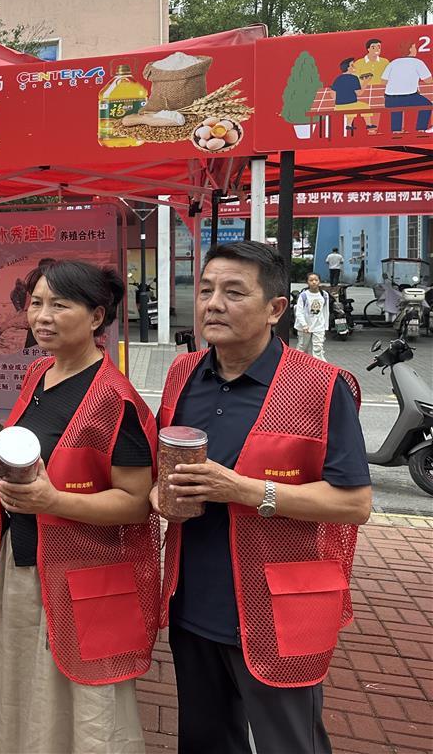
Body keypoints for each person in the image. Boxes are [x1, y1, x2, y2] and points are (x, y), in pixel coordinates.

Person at [153, 241, 371, 754]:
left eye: (234, 292)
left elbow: (354, 503)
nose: (213, 304)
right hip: (193, 599)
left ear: (275, 308)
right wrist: (160, 495)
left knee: (289, 743)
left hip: (279, 606)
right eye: (205, 290)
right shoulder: (184, 374)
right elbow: (164, 470)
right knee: (205, 741)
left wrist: (245, 490)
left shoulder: (320, 386)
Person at [0, 261, 157, 754]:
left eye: (59, 304)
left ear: (96, 317)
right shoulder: (39, 373)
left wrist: (54, 501)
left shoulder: (116, 400)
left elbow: (137, 504)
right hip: (27, 562)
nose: (42, 316)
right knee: (19, 691)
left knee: (85, 707)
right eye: (36, 303)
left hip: (84, 576)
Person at [380, 42, 432, 135]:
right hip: (408, 97)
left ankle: (396, 131)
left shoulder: (393, 62)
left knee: (396, 108)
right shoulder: (418, 62)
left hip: (389, 99)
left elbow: (383, 81)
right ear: (410, 49)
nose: (416, 49)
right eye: (414, 47)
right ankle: (421, 129)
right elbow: (428, 80)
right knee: (427, 105)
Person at [330, 58, 373, 134]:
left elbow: (332, 94)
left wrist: (340, 100)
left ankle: (349, 125)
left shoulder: (338, 79)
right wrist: (365, 82)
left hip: (338, 106)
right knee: (365, 106)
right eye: (352, 65)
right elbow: (359, 93)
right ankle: (369, 125)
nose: (354, 67)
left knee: (353, 108)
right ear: (348, 68)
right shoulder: (354, 78)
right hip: (351, 105)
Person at [295, 272, 329, 360]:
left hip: (319, 325)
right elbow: (299, 312)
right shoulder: (303, 295)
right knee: (302, 348)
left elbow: (325, 311)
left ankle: (319, 366)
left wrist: (325, 326)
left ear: (319, 281)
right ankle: (299, 365)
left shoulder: (324, 295)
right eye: (311, 280)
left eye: (316, 280)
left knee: (318, 348)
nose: (314, 282)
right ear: (307, 282)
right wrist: (304, 324)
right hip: (305, 326)